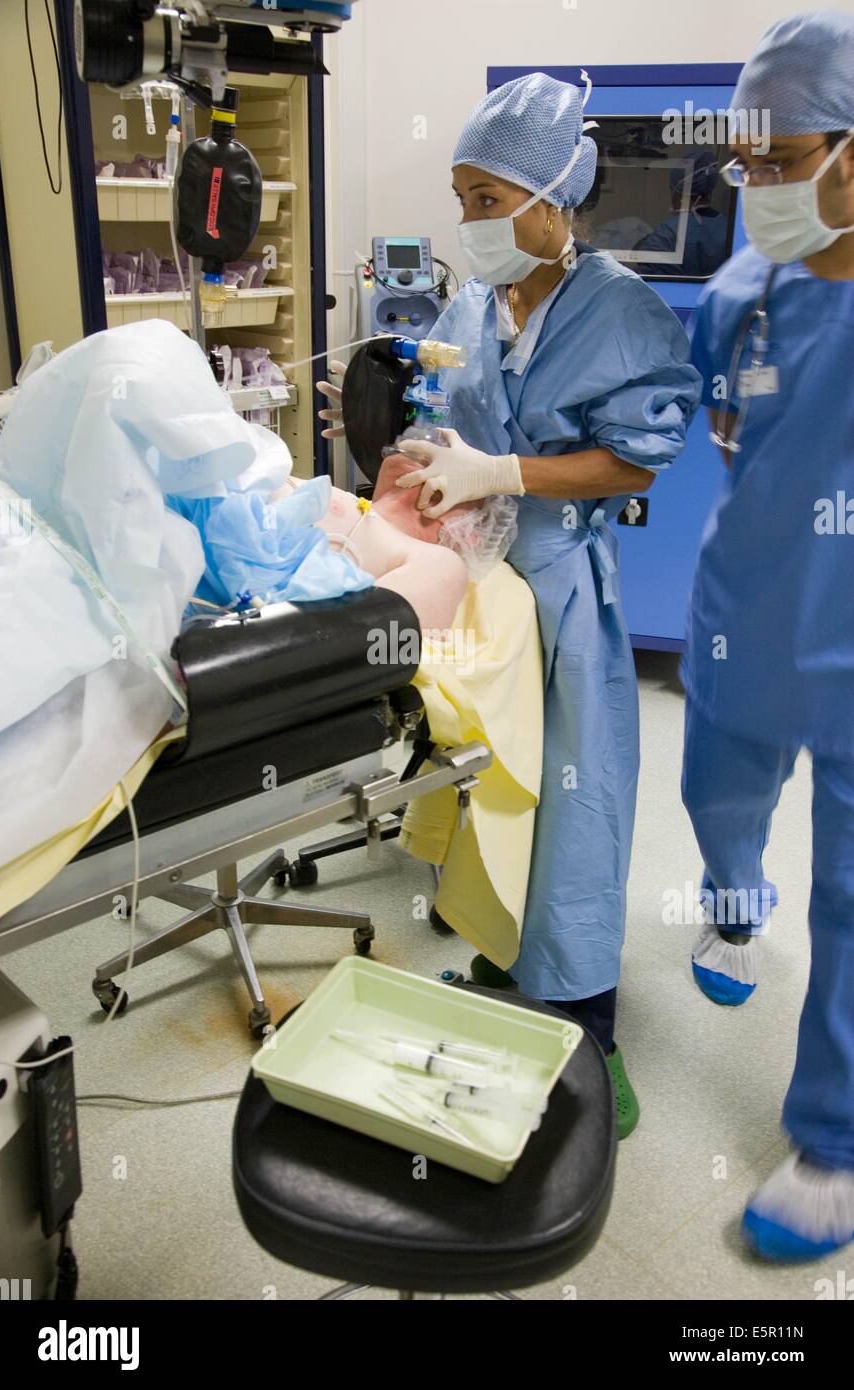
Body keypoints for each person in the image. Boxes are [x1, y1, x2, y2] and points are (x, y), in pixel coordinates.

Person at [321, 72, 702, 1138]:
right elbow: (450, 413)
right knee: (486, 796)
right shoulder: (471, 304)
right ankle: (499, 966)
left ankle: (588, 1036)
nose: (469, 224)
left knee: (571, 809)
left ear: (551, 196)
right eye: (460, 200)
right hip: (476, 592)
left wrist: (508, 478)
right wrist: (419, 453)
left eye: (486, 200)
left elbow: (635, 464)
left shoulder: (619, 310)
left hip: (559, 600)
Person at [680, 11, 854, 1259]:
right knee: (716, 792)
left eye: (779, 159)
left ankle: (837, 1145)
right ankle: (735, 903)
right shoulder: (741, 289)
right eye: (744, 164)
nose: (756, 190)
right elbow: (722, 423)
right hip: (745, 611)